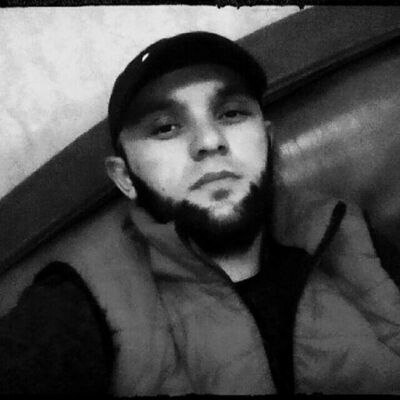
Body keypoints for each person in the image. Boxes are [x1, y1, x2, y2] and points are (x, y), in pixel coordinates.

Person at [1, 31, 400, 395]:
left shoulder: (347, 231)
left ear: (267, 138)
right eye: (165, 127)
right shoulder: (81, 294)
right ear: (124, 178)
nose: (209, 141)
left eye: (231, 113)